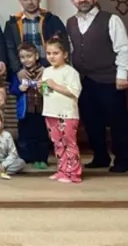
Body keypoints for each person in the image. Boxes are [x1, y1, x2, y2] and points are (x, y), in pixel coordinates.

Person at [65, 0, 128, 173]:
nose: (82, 0)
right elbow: (71, 51)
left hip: (109, 79)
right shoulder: (70, 22)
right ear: (73, 1)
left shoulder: (111, 19)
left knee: (117, 120)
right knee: (92, 121)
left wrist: (122, 75)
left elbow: (123, 48)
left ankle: (123, 159)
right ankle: (100, 156)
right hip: (84, 80)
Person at [42, 36, 83, 184]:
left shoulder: (70, 72)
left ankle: (74, 173)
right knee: (57, 143)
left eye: (55, 53)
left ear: (65, 54)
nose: (51, 56)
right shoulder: (46, 71)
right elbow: (46, 92)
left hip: (67, 114)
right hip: (50, 112)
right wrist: (43, 88)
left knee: (69, 143)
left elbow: (74, 91)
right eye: (49, 53)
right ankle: (62, 170)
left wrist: (54, 85)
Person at [3, 0, 67, 72]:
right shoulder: (12, 24)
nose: (30, 2)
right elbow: (9, 49)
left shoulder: (52, 20)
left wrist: (49, 69)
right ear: (20, 1)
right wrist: (19, 70)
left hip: (50, 70)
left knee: (45, 87)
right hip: (23, 72)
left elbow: (63, 45)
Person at [9, 42, 50, 169]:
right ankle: (27, 158)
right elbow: (12, 90)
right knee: (26, 136)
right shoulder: (19, 74)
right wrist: (20, 88)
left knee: (42, 135)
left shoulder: (45, 72)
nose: (26, 60)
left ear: (36, 56)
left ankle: (42, 159)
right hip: (26, 111)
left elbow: (49, 90)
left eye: (29, 56)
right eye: (22, 57)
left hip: (42, 110)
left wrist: (43, 87)